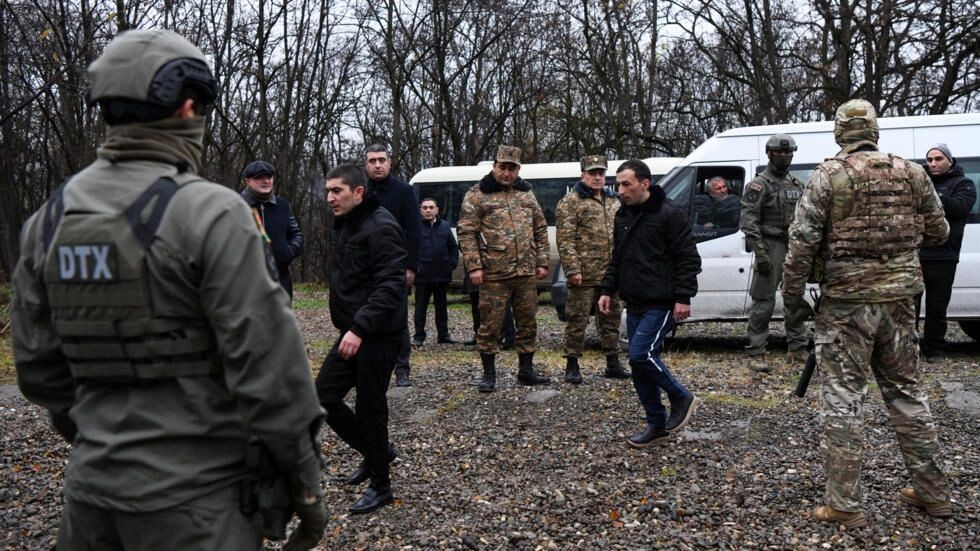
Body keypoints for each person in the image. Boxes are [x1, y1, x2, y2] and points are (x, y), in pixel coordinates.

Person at [11, 29, 326, 550]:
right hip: (196, 507)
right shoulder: (212, 213)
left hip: (89, 504)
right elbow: (271, 373)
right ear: (187, 108)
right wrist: (306, 486)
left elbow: (39, 371)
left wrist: (107, 442)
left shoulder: (47, 220)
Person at [782, 99, 953, 528]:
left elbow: (801, 244)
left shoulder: (829, 176)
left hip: (846, 307)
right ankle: (934, 494)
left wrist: (793, 296)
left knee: (842, 397)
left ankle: (844, 503)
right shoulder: (912, 172)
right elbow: (940, 231)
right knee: (907, 393)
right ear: (874, 130)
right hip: (900, 302)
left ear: (840, 132)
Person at [315, 164, 407, 514]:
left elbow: (390, 287)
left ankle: (381, 486)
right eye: (327, 191)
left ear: (358, 193)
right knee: (323, 397)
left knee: (371, 408)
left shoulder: (381, 227)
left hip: (377, 335)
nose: (330, 198)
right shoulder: (348, 224)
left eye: (337, 191)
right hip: (353, 331)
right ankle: (377, 454)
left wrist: (358, 329)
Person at [598, 159, 702, 448]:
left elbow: (688, 259)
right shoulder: (623, 216)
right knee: (639, 365)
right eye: (618, 184)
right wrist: (607, 289)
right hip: (635, 302)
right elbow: (618, 258)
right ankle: (656, 425)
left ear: (645, 184)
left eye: (626, 184)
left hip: (662, 302)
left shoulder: (670, 214)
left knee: (639, 356)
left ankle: (681, 396)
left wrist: (683, 298)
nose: (620, 190)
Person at [457, 145, 551, 392]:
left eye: (512, 168)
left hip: (525, 273)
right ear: (494, 167)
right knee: (490, 325)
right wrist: (474, 266)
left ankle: (526, 370)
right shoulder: (477, 195)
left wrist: (542, 261)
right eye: (503, 167)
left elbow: (540, 228)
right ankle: (489, 374)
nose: (507, 173)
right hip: (493, 274)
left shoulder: (526, 194)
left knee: (528, 322)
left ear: (518, 169)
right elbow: (467, 233)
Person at [555, 154, 630, 383]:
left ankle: (612, 362)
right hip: (584, 274)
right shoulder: (571, 201)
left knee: (611, 318)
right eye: (592, 173)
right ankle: (572, 363)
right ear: (583, 175)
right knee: (577, 320)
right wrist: (573, 270)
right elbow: (565, 240)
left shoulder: (613, 200)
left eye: (601, 173)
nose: (597, 177)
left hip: (610, 273)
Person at [739, 133, 808, 372]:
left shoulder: (795, 183)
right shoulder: (759, 185)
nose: (784, 156)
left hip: (793, 246)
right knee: (763, 302)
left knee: (795, 299)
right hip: (770, 245)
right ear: (769, 154)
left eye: (788, 153)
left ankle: (797, 349)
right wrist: (760, 253)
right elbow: (748, 221)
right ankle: (757, 351)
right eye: (779, 152)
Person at [364, 144, 421, 387]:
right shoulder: (359, 191)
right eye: (372, 161)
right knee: (365, 317)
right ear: (365, 164)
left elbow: (414, 231)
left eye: (381, 160)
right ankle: (370, 368)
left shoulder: (405, 191)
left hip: (395, 266)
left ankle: (402, 369)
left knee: (397, 319)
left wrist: (411, 267)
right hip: (365, 266)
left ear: (390, 162)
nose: (377, 165)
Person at [918, 143, 977, 362]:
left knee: (937, 306)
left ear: (950, 161)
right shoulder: (921, 182)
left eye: (938, 159)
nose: (933, 163)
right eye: (929, 159)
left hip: (944, 255)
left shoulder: (964, 184)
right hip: (916, 253)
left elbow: (959, 208)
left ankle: (934, 350)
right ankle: (907, 349)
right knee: (908, 306)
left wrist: (929, 196)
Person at [240, 159, 304, 300]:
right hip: (245, 283)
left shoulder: (283, 206)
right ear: (247, 181)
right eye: (259, 177)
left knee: (280, 321)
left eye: (269, 177)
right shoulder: (235, 206)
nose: (266, 181)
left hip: (280, 280)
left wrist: (290, 250)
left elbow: (296, 234)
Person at [414, 197, 459, 345]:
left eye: (431, 207)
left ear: (437, 210)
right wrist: (415, 267)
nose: (428, 210)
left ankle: (443, 336)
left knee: (442, 308)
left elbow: (453, 247)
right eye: (425, 208)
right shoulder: (415, 227)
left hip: (442, 275)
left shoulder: (445, 226)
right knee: (420, 308)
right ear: (420, 210)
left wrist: (451, 264)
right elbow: (409, 249)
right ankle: (419, 336)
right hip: (422, 276)